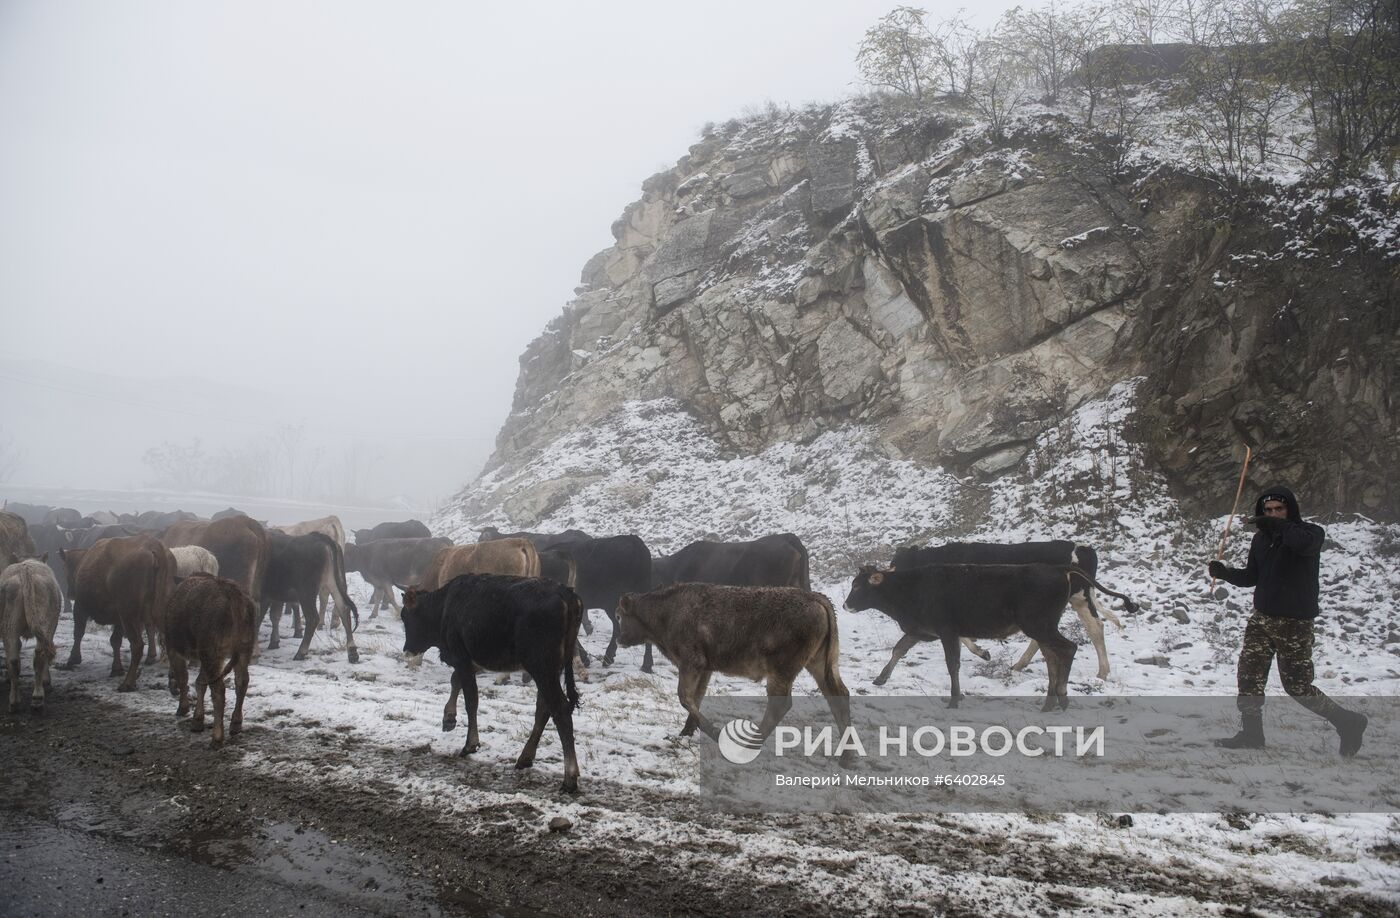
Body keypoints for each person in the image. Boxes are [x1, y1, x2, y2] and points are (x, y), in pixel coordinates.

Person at [1208, 485, 1367, 756]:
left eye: (1279, 509)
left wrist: (1279, 526)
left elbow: (1303, 545)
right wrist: (1225, 574)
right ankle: (1251, 734)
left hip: (1295, 623)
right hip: (1262, 619)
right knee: (1249, 677)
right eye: (1268, 510)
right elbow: (1251, 577)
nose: (1273, 514)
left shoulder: (1310, 533)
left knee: (1297, 687)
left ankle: (1348, 722)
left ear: (1290, 509)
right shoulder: (1260, 540)